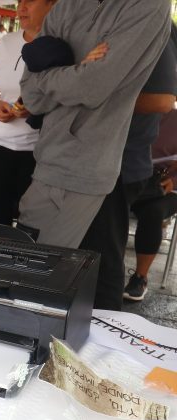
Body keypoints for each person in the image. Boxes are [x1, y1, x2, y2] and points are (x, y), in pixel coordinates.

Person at [18, 0, 171, 248]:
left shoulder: (148, 5)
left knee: (38, 271)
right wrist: (78, 70)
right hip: (50, 158)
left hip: (83, 166)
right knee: (41, 269)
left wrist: (54, 74)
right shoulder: (68, 5)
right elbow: (31, 96)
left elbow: (92, 88)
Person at [80, 25, 177, 310]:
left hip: (126, 165)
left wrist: (92, 93)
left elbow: (162, 100)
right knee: (86, 255)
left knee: (103, 259)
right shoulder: (98, 16)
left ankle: (109, 332)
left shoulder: (152, 21)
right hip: (89, 156)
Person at [0, 0, 57, 226]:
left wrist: (36, 108)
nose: (21, 8)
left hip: (39, 153)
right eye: (19, 1)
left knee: (33, 226)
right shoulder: (7, 43)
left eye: (29, 1)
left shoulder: (62, 46)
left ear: (52, 5)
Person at [125, 111, 177, 301]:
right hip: (130, 180)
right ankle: (98, 268)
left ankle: (140, 277)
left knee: (153, 213)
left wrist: (173, 178)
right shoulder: (133, 111)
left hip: (165, 188)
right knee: (106, 205)